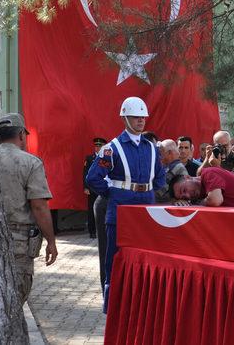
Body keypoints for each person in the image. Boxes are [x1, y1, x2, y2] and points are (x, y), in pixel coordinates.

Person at [85, 97, 165, 310]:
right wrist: (113, 193)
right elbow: (93, 178)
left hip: (146, 205)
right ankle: (112, 304)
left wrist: (146, 190)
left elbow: (159, 177)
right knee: (115, 255)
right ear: (125, 118)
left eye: (143, 117)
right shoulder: (111, 148)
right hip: (120, 207)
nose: (140, 120)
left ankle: (143, 301)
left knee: (146, 253)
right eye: (135, 117)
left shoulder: (151, 147)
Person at [0, 113, 58, 305]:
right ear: (22, 134)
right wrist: (51, 241)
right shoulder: (30, 162)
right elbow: (39, 206)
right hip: (18, 242)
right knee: (14, 303)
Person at [170, 167, 234, 207]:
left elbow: (215, 200)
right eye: (184, 198)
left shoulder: (208, 173)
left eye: (184, 190)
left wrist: (193, 205)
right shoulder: (201, 194)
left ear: (187, 177)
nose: (188, 195)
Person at [84, 137, 107, 238]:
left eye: (100, 146)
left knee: (104, 209)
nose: (97, 148)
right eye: (96, 146)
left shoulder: (106, 158)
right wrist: (85, 187)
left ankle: (103, 230)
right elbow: (85, 173)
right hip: (92, 189)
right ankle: (92, 231)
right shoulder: (90, 158)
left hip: (103, 188)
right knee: (91, 210)